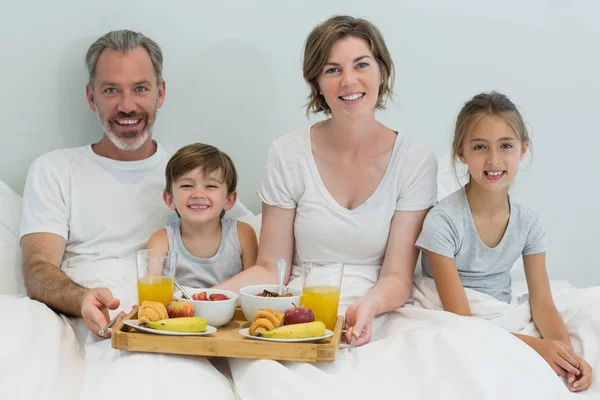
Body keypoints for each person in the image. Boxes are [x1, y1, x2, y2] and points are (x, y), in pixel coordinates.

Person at [218, 14, 437, 346]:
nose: (348, 81)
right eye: (332, 70)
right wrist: (203, 298)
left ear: (382, 71)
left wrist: (368, 307)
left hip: (379, 311)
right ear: (317, 83)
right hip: (298, 312)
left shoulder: (415, 161)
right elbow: (268, 267)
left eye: (361, 65)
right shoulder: (287, 153)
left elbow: (397, 276)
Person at [19, 29, 251, 339]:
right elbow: (38, 270)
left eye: (140, 88)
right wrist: (82, 298)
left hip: (169, 324)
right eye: (112, 90)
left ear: (161, 93)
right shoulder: (55, 170)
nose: (127, 106)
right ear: (91, 97)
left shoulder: (190, 176)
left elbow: (248, 247)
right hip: (79, 322)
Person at [415, 91, 592, 392]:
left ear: (522, 150)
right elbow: (462, 320)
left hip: (500, 312)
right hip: (458, 319)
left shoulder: (529, 223)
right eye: (480, 147)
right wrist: (537, 348)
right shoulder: (443, 221)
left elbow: (543, 302)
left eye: (506, 146)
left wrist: (565, 354)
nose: (494, 160)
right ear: (461, 153)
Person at [147, 143, 258, 287]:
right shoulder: (161, 241)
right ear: (170, 199)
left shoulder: (243, 234)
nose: (198, 194)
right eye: (187, 186)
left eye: (211, 186)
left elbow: (253, 290)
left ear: (229, 200)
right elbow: (151, 291)